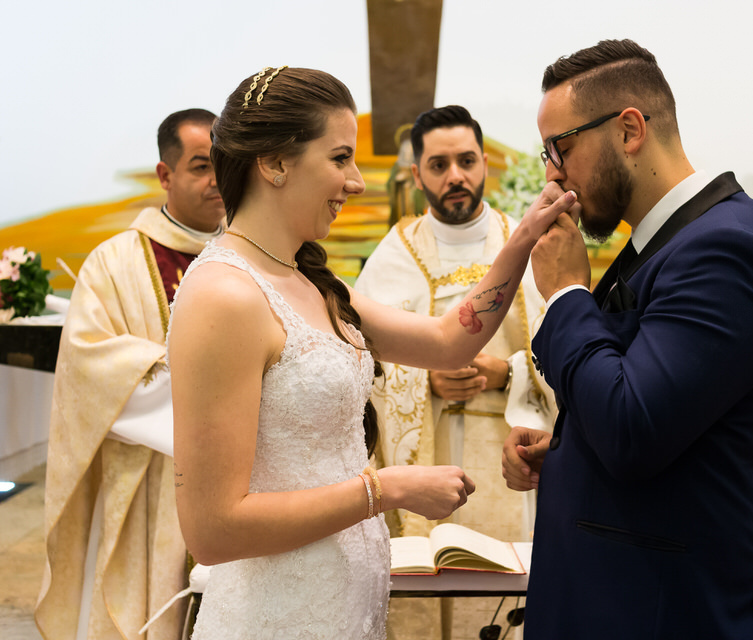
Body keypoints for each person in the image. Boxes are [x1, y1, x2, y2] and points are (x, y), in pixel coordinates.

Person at [165, 67, 572, 640]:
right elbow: (213, 530)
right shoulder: (223, 296)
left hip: (344, 608)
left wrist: (523, 237)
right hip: (276, 614)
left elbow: (447, 340)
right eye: (340, 159)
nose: (356, 182)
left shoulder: (312, 281)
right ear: (275, 163)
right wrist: (388, 489)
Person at [500, 39, 753, 639]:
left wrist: (565, 295)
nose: (551, 173)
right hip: (627, 596)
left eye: (559, 148)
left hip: (672, 611)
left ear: (630, 130)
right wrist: (567, 453)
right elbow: (655, 406)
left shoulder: (725, 250)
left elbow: (632, 429)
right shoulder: (670, 241)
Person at [354, 105, 555, 640]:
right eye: (438, 165)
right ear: (417, 175)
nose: (455, 176)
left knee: (503, 603)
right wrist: (424, 376)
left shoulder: (528, 245)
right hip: (425, 456)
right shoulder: (394, 256)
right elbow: (362, 365)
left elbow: (568, 350)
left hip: (508, 454)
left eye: (466, 161)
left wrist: (507, 372)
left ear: (484, 162)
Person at [37, 108, 225, 640]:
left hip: (242, 480)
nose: (217, 181)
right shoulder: (113, 263)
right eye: (200, 166)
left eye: (226, 165)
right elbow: (89, 366)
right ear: (165, 176)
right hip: (149, 484)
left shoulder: (252, 256)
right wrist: (220, 393)